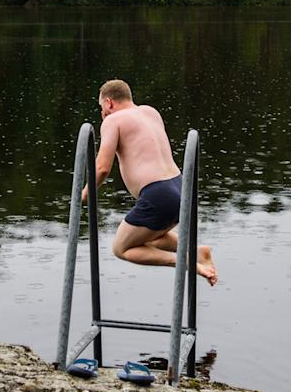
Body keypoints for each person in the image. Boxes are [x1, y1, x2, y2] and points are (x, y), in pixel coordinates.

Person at [83, 79, 218, 285]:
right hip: (180, 188)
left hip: (158, 194)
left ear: (109, 102)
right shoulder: (150, 112)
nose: (103, 114)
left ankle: (188, 263)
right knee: (150, 237)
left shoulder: (113, 120)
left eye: (102, 108)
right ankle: (198, 252)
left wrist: (82, 196)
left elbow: (101, 168)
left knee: (121, 249)